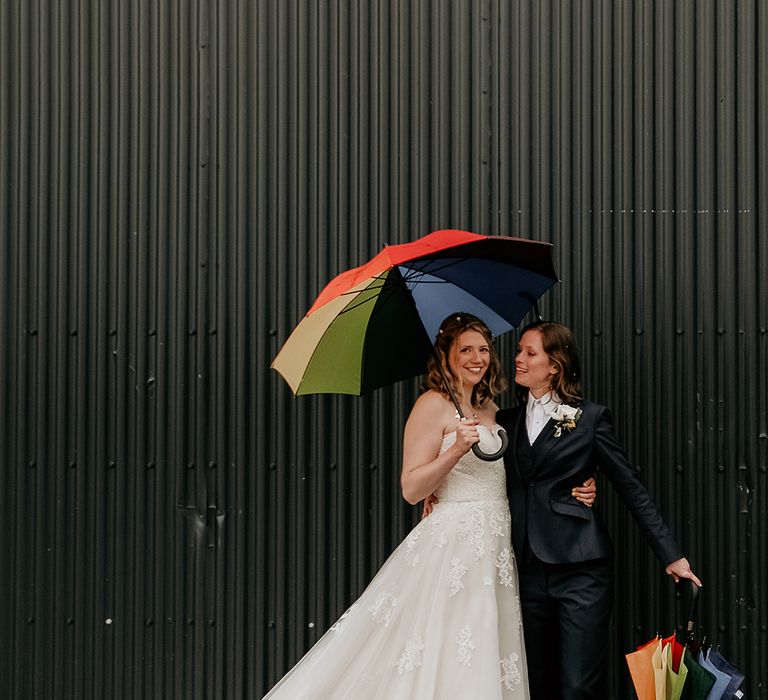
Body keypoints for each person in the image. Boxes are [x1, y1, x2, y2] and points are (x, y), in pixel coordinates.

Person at [263, 313, 595, 698]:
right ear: (447, 356)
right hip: (455, 546)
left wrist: (580, 486)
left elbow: (527, 470)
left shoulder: (491, 408)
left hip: (498, 545)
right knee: (450, 642)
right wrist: (455, 449)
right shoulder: (431, 405)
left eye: (484, 349)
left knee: (487, 641)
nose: (477, 358)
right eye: (465, 349)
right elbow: (411, 488)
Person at [495, 320, 701, 699]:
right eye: (519, 351)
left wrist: (672, 555)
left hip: (581, 568)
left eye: (529, 352)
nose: (518, 359)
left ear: (554, 365)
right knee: (533, 683)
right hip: (525, 569)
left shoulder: (588, 418)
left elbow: (630, 486)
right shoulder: (504, 421)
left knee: (578, 686)